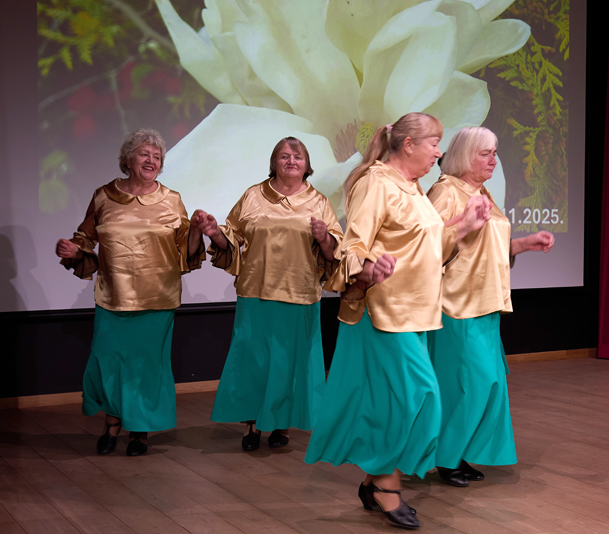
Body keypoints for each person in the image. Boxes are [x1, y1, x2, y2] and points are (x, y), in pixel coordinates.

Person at [303, 113, 492, 530]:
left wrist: (463, 226)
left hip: (416, 312)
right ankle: (387, 486)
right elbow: (354, 245)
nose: (439, 152)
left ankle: (375, 481)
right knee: (418, 397)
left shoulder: (414, 187)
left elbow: (428, 246)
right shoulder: (376, 182)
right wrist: (368, 269)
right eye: (434, 143)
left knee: (400, 401)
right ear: (408, 145)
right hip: (383, 311)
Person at [56, 128, 205, 457]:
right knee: (107, 361)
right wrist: (75, 250)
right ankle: (112, 421)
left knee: (146, 366)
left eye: (157, 157)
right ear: (128, 159)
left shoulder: (172, 199)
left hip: (157, 299)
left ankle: (139, 430)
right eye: (144, 154)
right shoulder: (103, 196)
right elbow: (84, 237)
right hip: (113, 297)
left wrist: (196, 230)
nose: (151, 160)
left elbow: (186, 250)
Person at [194, 137, 343, 451]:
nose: (291, 161)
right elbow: (231, 238)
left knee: (289, 364)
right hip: (256, 292)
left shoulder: (319, 201)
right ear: (274, 162)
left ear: (307, 165)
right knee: (255, 361)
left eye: (298, 157)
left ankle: (280, 423)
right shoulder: (253, 195)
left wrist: (325, 238)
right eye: (284, 156)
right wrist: (214, 232)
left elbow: (335, 253)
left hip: (300, 294)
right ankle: (252, 422)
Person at [427, 126, 554, 486]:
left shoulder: (482, 192)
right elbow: (429, 245)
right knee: (469, 384)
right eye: (485, 153)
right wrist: (464, 226)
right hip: (458, 305)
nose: (494, 160)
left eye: (495, 153)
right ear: (465, 154)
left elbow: (485, 247)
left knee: (488, 383)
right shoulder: (446, 191)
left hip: (486, 304)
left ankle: (459, 453)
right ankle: (446, 458)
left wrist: (523, 244)